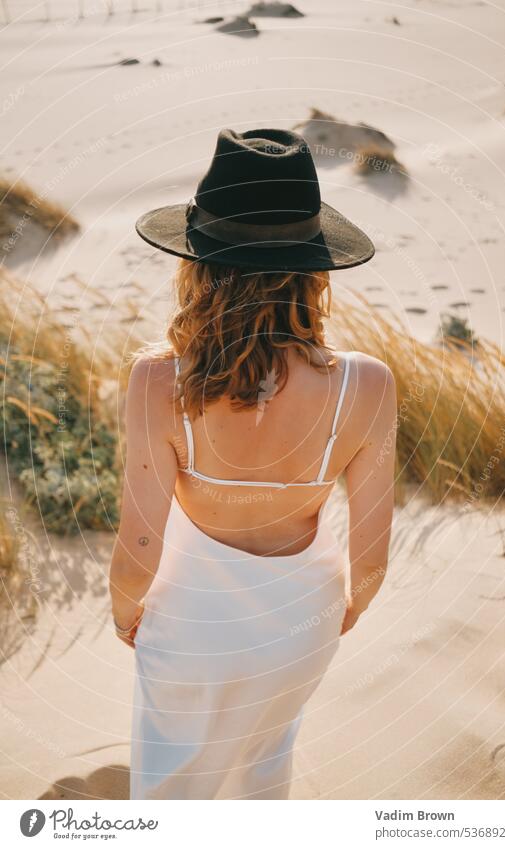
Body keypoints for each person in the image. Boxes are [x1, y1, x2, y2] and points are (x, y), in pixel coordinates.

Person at [109, 128, 396, 800]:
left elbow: (140, 545)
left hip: (191, 619)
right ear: (313, 267)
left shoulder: (160, 382)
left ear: (199, 264)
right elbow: (373, 552)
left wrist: (126, 613)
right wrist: (346, 608)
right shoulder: (369, 384)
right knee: (264, 765)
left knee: (172, 785)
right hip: (305, 615)